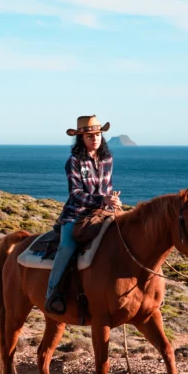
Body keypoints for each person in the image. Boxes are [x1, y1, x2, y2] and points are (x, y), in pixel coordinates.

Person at [45, 115, 122, 314]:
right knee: (67, 246)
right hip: (77, 213)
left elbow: (108, 187)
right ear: (81, 139)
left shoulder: (107, 159)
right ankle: (52, 294)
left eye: (97, 135)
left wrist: (112, 200)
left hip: (103, 212)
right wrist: (101, 200)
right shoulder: (74, 161)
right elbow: (76, 194)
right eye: (89, 136)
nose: (95, 139)